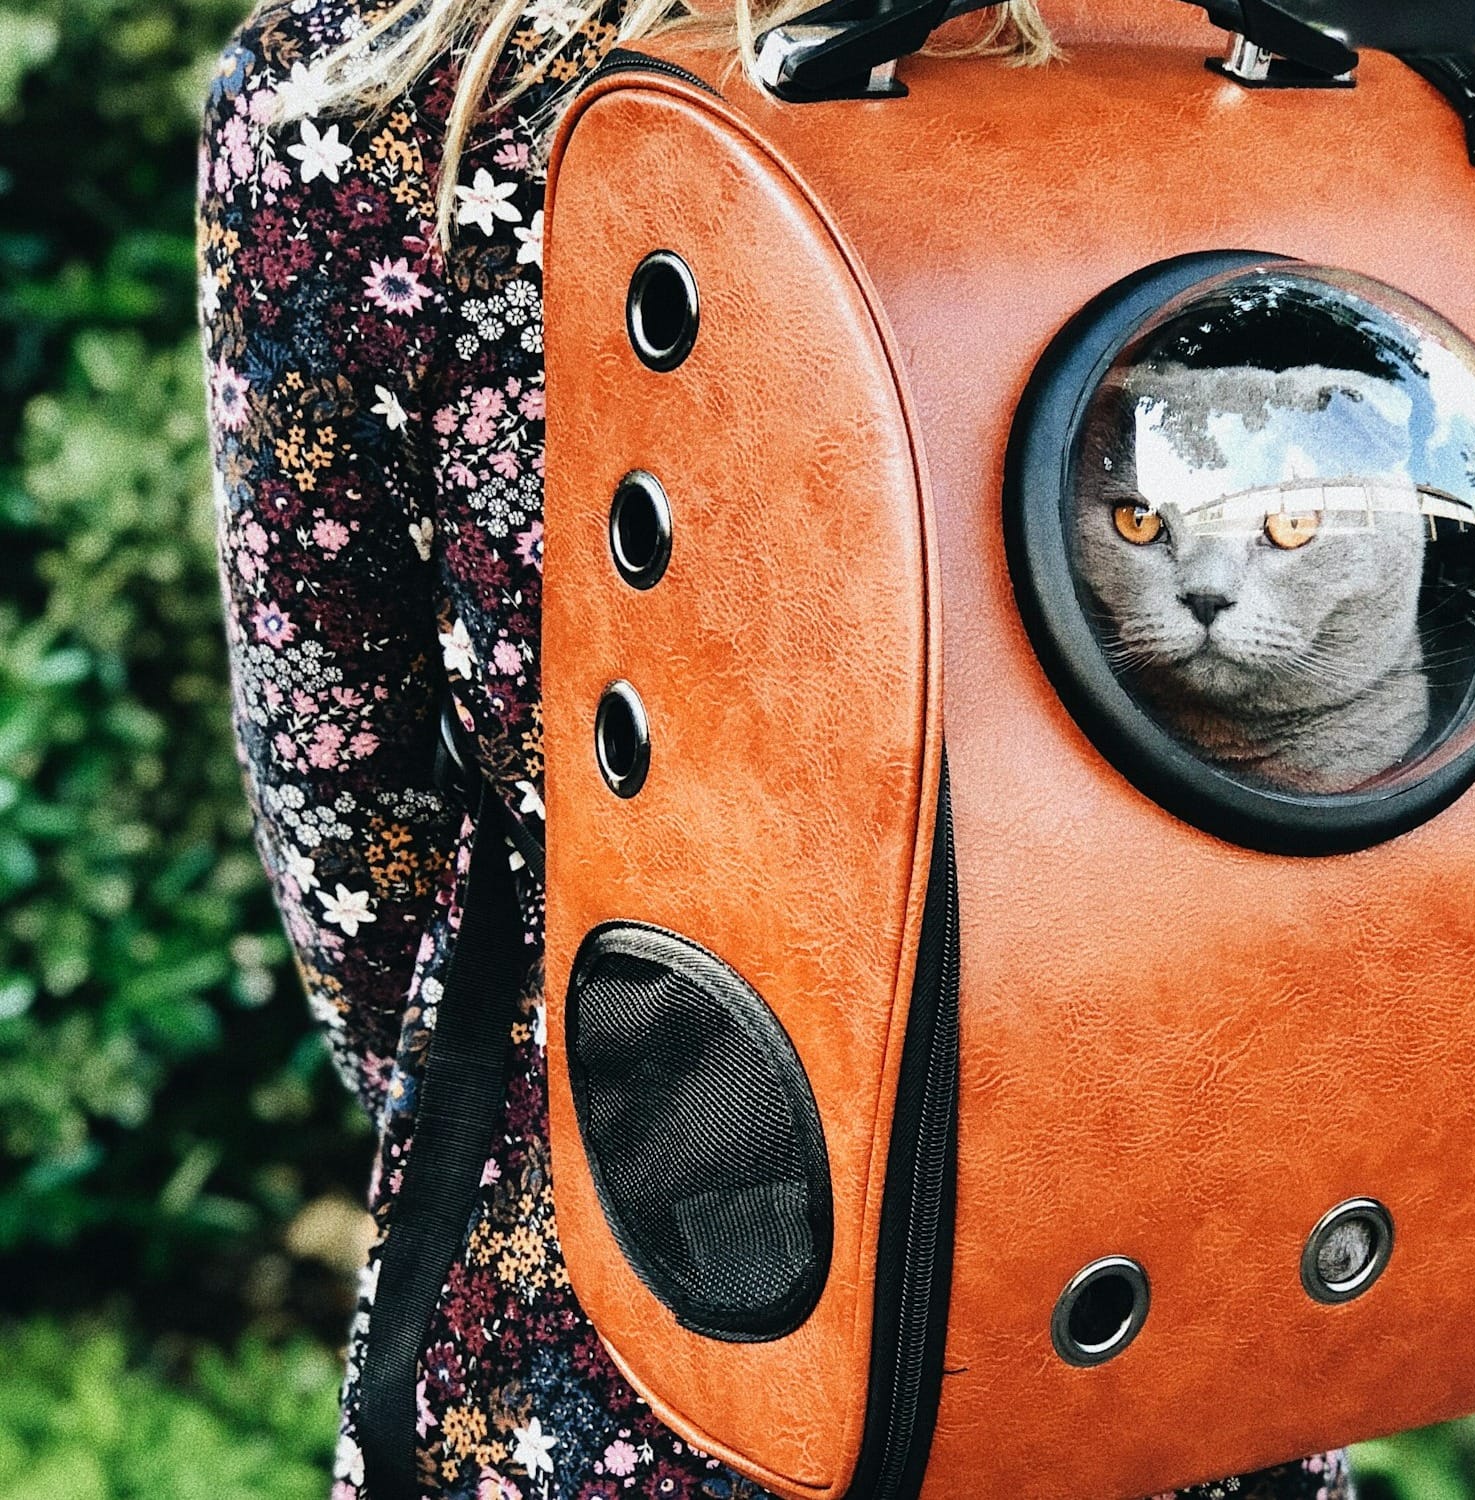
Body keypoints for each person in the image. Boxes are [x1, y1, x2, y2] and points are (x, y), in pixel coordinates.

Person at [198, 1, 1356, 1495]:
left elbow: (350, 814)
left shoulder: (383, 90)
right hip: (1158, 1289)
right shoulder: (1192, 56)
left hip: (630, 1298)